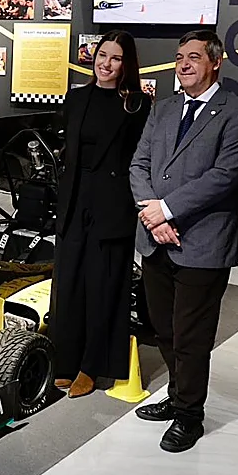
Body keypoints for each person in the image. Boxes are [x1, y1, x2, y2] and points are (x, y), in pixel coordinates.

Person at [129, 30, 238, 452]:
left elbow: (223, 178)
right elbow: (139, 163)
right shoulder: (163, 108)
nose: (183, 64)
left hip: (202, 245)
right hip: (156, 239)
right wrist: (154, 217)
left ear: (215, 62)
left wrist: (165, 210)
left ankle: (189, 415)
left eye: (194, 57)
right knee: (163, 329)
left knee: (191, 336)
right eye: (179, 56)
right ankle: (177, 395)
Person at [52, 31, 151, 398]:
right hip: (75, 201)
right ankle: (66, 359)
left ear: (127, 65)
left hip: (113, 205)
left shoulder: (137, 105)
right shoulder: (77, 98)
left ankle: (93, 365)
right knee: (70, 283)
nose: (106, 64)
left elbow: (141, 161)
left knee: (103, 285)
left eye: (115, 58)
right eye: (102, 55)